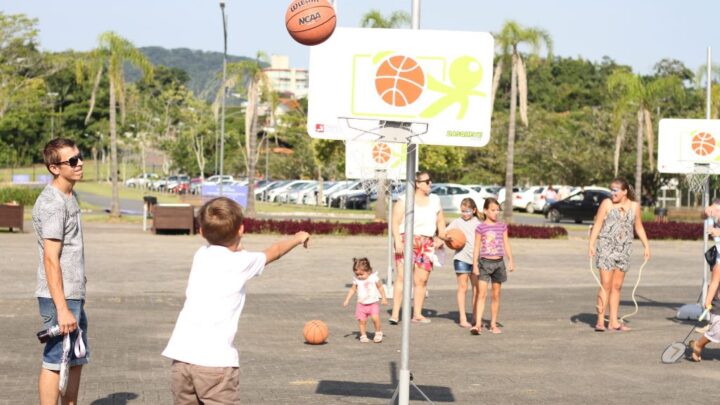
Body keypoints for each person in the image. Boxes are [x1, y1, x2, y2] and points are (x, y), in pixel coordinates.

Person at [162, 197, 310, 404]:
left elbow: (222, 251)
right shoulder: (242, 262)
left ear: (201, 232)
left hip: (181, 360)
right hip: (215, 364)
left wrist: (237, 247)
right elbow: (274, 251)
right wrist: (298, 237)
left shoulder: (201, 255)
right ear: (241, 229)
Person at [32, 138, 88, 404]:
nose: (80, 164)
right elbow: (50, 259)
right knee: (56, 360)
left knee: (76, 357)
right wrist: (62, 308)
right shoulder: (53, 203)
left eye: (80, 157)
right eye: (73, 161)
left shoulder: (69, 195)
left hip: (73, 295)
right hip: (59, 298)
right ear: (55, 168)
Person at [588, 177, 650, 332]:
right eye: (611, 189)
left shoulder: (635, 206)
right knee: (605, 284)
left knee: (617, 286)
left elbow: (639, 227)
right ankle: (601, 321)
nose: (612, 193)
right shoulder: (607, 204)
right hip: (606, 248)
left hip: (624, 250)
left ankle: (614, 322)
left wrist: (646, 246)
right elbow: (598, 224)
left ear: (624, 192)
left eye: (615, 190)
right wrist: (591, 244)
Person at [389, 171, 448, 324]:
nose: (430, 183)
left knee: (421, 280)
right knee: (402, 277)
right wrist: (397, 241)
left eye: (430, 180)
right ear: (417, 183)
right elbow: (395, 222)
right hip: (406, 239)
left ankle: (417, 314)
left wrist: (441, 237)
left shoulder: (435, 200)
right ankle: (395, 314)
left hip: (426, 242)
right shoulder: (404, 200)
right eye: (427, 181)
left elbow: (441, 221)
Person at [471, 198, 514, 335]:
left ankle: (493, 324)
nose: (496, 213)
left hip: (499, 264)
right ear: (485, 210)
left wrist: (510, 260)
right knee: (481, 294)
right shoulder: (480, 227)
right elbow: (477, 247)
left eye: (497, 210)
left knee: (496, 295)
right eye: (493, 210)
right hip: (484, 263)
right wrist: (474, 265)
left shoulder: (502, 226)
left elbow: (506, 243)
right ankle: (478, 324)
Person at [446, 198, 482, 328]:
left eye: (467, 211)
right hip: (461, 258)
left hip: (476, 260)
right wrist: (447, 238)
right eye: (462, 211)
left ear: (474, 210)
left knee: (477, 289)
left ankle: (475, 316)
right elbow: (445, 233)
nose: (465, 214)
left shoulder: (479, 224)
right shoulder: (457, 222)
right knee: (463, 287)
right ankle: (462, 318)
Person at [342, 257, 388, 343]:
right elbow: (352, 289)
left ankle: (378, 332)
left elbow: (380, 287)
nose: (359, 276)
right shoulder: (356, 280)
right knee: (362, 321)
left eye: (361, 274)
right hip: (361, 305)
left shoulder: (373, 278)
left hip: (373, 303)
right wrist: (347, 299)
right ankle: (363, 335)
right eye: (357, 274)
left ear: (369, 271)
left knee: (375, 318)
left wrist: (384, 298)